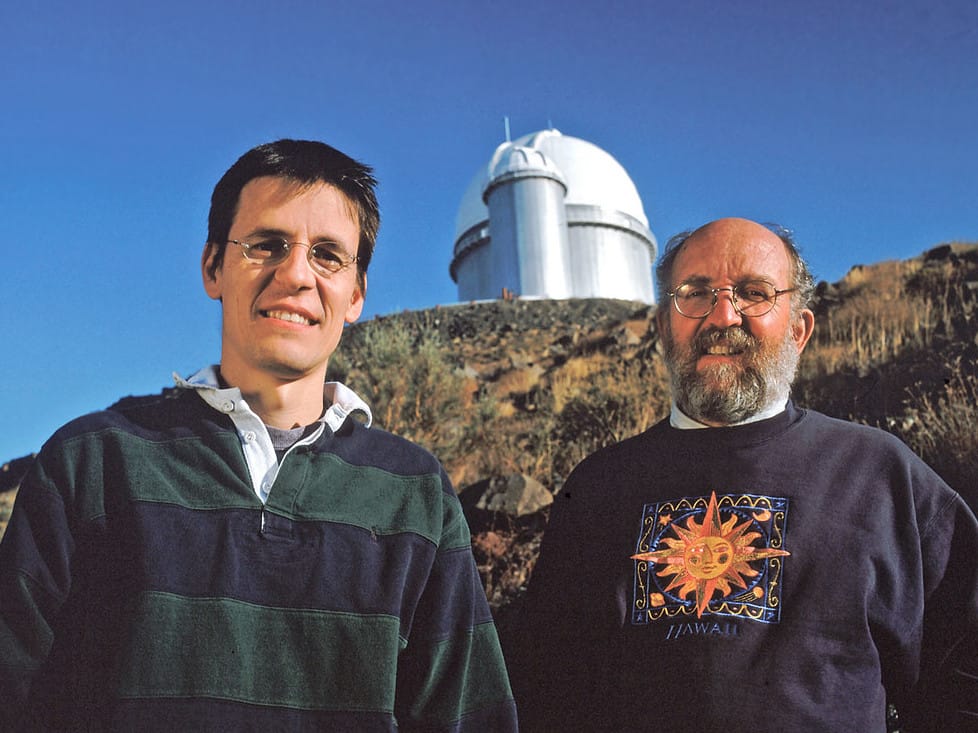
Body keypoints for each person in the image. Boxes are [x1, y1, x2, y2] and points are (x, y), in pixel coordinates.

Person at [0, 139, 518, 731]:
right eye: (266, 244)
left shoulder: (415, 494)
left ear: (356, 295)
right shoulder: (90, 463)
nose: (296, 274)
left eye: (327, 255)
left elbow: (470, 717)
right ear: (212, 267)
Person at [512, 217, 978, 731]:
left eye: (754, 293)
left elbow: (965, 664)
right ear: (666, 327)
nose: (723, 316)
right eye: (695, 293)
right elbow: (546, 688)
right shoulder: (599, 487)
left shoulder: (881, 475)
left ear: (799, 330)